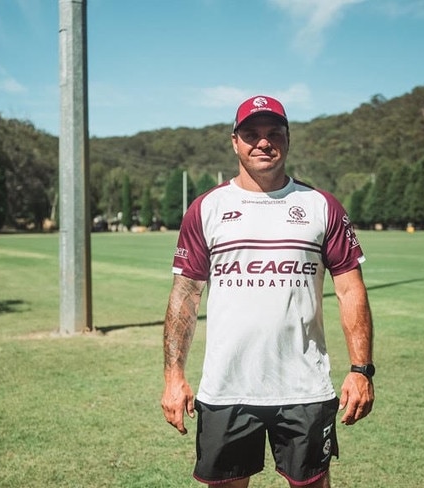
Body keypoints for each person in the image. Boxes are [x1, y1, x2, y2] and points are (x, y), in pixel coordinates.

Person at [161, 95, 375, 488]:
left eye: (273, 133)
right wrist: (173, 376)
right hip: (226, 387)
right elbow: (185, 296)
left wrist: (361, 370)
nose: (263, 142)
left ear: (288, 139)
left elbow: (350, 290)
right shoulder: (206, 208)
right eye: (251, 134)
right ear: (235, 142)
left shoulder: (321, 206)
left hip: (304, 388)